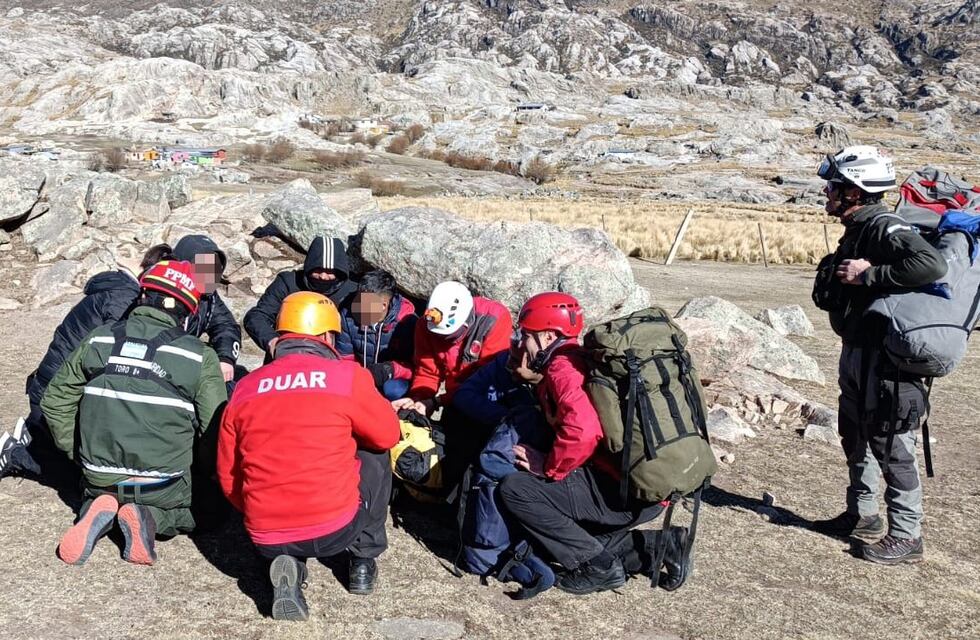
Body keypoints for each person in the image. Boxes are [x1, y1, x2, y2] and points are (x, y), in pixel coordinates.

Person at [217, 291, 400, 622]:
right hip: (336, 528)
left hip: (264, 533)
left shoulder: (246, 387)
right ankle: (362, 559)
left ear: (282, 334)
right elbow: (388, 435)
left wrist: (258, 511)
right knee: (375, 449)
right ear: (328, 335)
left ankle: (289, 561)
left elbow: (228, 474)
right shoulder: (348, 377)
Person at [497, 292, 690, 594]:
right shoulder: (579, 359)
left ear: (548, 335)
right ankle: (659, 546)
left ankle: (599, 567)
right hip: (647, 488)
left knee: (517, 491)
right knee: (562, 536)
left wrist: (549, 467)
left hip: (621, 493)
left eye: (526, 334)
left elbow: (584, 430)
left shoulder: (562, 369)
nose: (522, 341)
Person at [810, 146, 947, 565]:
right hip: (858, 351)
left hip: (885, 360)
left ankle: (907, 536)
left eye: (835, 187)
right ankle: (863, 516)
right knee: (856, 435)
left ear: (857, 191)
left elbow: (932, 265)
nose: (828, 194)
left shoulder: (885, 226)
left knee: (891, 444)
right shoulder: (858, 227)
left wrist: (868, 275)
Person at [40, 260, 227, 566]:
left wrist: (79, 452)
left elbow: (55, 400)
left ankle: (97, 506)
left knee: (100, 487)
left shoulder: (99, 338)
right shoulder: (200, 356)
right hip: (163, 483)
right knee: (212, 509)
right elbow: (215, 426)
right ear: (187, 311)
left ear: (142, 296)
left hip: (99, 474)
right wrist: (203, 468)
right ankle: (151, 517)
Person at [0, 244, 173, 481]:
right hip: (54, 394)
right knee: (88, 475)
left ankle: (35, 433)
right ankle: (15, 454)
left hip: (50, 387)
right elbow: (115, 358)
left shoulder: (119, 289)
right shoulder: (123, 300)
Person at [391, 281, 513, 488]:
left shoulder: (493, 320)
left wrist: (437, 400)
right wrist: (420, 400)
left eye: (450, 335)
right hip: (454, 397)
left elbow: (485, 380)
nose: (444, 340)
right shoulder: (426, 325)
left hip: (487, 398)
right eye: (439, 335)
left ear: (467, 323)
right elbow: (427, 370)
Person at [243, 236, 356, 358]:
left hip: (334, 360)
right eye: (317, 270)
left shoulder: (352, 291)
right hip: (287, 355)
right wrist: (272, 341)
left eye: (330, 272)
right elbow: (257, 316)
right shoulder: (288, 283)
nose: (323, 276)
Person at [334, 270, 417, 401]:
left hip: (392, 377)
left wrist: (389, 370)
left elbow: (415, 366)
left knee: (393, 389)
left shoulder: (407, 322)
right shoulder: (347, 315)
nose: (358, 308)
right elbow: (345, 356)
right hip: (360, 375)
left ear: (384, 305)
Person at [172, 235, 242, 383]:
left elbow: (225, 325)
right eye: (203, 267)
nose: (208, 275)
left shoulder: (207, 297)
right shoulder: (162, 292)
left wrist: (225, 357)